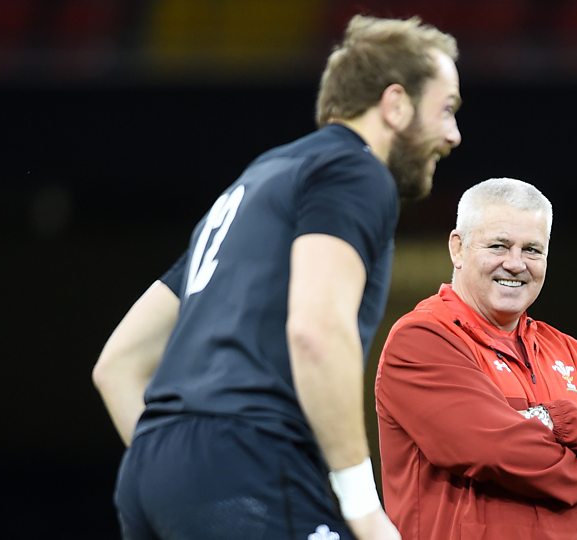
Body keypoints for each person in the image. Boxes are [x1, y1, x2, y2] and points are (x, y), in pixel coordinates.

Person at [92, 15, 462, 540]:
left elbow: (117, 365)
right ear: (396, 103)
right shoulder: (355, 173)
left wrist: (185, 480)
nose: (453, 134)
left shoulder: (256, 183)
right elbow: (315, 331)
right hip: (255, 463)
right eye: (446, 109)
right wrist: (362, 506)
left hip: (151, 478)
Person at [375, 178, 577, 539]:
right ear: (457, 248)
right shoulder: (422, 339)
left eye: (532, 250)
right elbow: (492, 450)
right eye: (499, 245)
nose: (515, 264)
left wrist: (553, 420)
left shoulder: (565, 349)